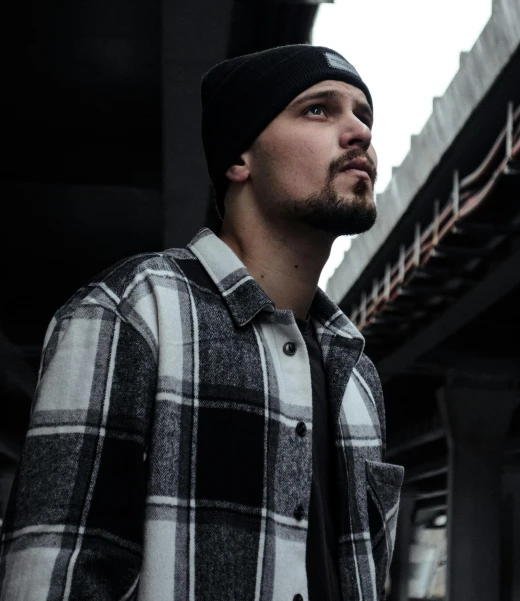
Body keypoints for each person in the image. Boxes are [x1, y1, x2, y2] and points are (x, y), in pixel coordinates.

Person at [0, 45, 403, 601]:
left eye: (364, 115)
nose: (358, 131)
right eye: (318, 110)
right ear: (240, 159)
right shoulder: (135, 313)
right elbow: (52, 579)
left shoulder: (358, 377)